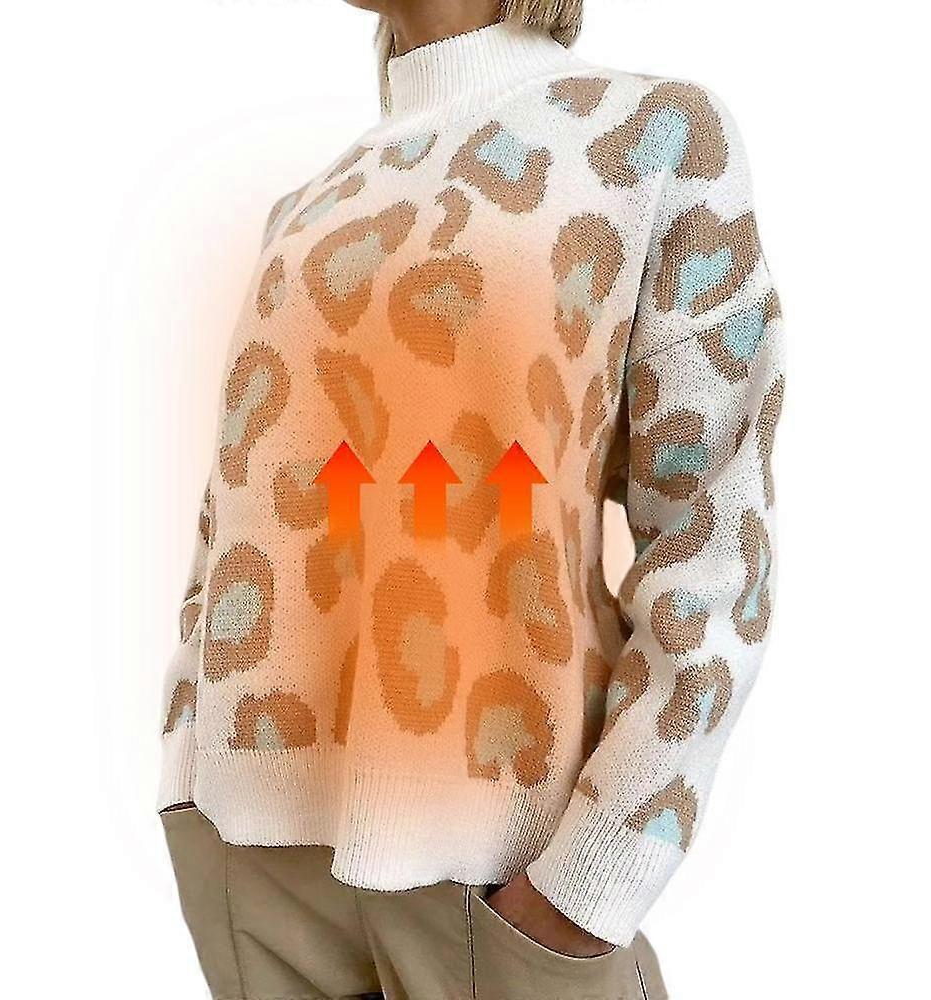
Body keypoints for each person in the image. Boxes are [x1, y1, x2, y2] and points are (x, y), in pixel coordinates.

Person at [156, 1, 786, 997]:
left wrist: (588, 884)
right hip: (252, 866)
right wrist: (184, 762)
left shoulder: (652, 140)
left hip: (502, 876)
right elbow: (234, 509)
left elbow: (714, 544)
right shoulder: (306, 208)